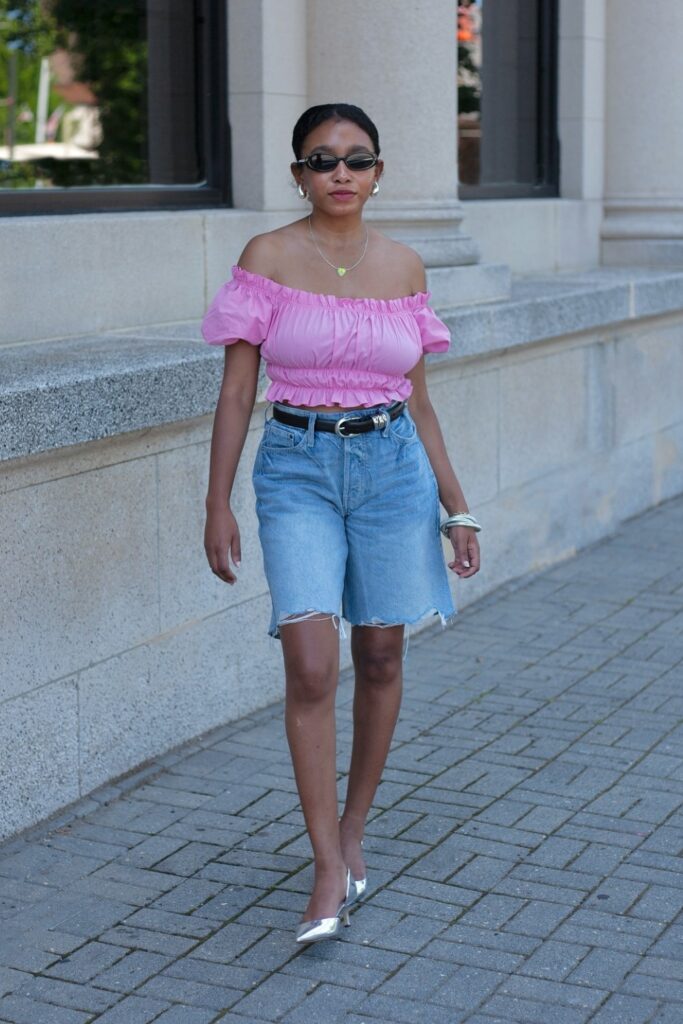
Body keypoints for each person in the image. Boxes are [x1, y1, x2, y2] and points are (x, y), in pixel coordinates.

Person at [201, 103, 481, 944]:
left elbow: (419, 403)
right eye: (321, 159)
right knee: (311, 664)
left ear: (377, 172)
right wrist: (216, 502)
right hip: (297, 469)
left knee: (382, 653)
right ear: (298, 174)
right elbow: (236, 392)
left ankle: (354, 830)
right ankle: (325, 863)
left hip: (393, 469)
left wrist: (456, 505)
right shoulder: (266, 258)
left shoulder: (403, 265)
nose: (340, 173)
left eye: (357, 159)